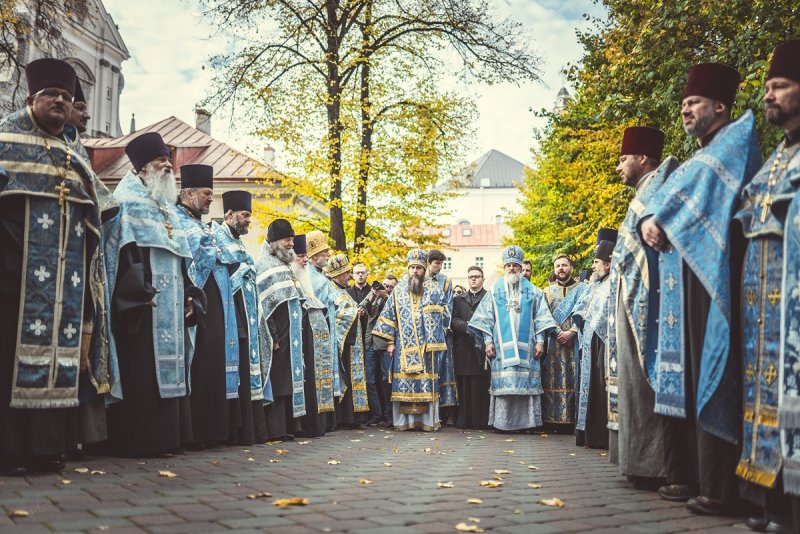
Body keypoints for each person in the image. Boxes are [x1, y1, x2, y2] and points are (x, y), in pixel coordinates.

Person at [640, 63, 762, 514]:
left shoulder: (733, 144)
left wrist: (660, 219)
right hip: (689, 281)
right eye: (684, 104)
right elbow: (664, 204)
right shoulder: (700, 156)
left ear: (721, 106)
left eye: (693, 103)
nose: (685, 110)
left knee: (714, 370)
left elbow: (681, 201)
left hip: (720, 279)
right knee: (690, 374)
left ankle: (719, 486)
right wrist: (651, 221)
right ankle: (691, 474)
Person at [0, 59, 114, 475]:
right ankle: (10, 452)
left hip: (65, 286)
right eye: (52, 95)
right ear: (31, 99)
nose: (61, 103)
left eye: (67, 98)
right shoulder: (4, 139)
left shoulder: (74, 153)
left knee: (60, 363)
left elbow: (100, 215)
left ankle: (46, 449)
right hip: (12, 281)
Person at [734, 41, 800, 533]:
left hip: (791, 301)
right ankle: (772, 503)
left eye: (780, 86)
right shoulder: (777, 156)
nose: (769, 95)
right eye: (768, 88)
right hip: (764, 304)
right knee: (768, 399)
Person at [103, 132, 200, 457]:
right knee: (142, 372)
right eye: (162, 164)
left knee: (172, 367)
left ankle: (168, 438)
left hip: (171, 306)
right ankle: (138, 440)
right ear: (143, 167)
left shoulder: (168, 210)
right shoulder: (126, 203)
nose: (168, 169)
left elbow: (181, 259)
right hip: (143, 307)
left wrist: (188, 295)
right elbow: (121, 255)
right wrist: (139, 292)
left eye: (169, 164)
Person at [607, 126, 675, 489]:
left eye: (623, 159)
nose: (619, 167)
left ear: (643, 159)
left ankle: (651, 464)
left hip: (647, 302)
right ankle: (638, 462)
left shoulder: (657, 190)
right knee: (632, 383)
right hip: (633, 298)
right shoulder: (644, 193)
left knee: (644, 381)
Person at [174, 164, 240, 448]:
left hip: (214, 305)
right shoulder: (179, 221)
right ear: (189, 193)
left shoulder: (201, 224)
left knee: (212, 361)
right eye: (207, 193)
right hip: (195, 303)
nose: (212, 198)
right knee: (198, 363)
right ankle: (197, 431)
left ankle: (212, 431)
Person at [469, 246, 557, 432]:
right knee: (505, 386)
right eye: (508, 265)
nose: (511, 269)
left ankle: (528, 424)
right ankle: (503, 424)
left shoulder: (533, 291)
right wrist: (488, 342)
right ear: (504, 267)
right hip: (501, 349)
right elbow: (486, 319)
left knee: (525, 386)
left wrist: (540, 342)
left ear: (520, 267)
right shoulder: (495, 290)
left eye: (515, 265)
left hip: (529, 348)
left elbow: (540, 318)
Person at [212, 190, 269, 445]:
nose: (248, 220)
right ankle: (231, 432)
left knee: (246, 377)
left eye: (250, 216)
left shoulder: (241, 245)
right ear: (229, 214)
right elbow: (217, 279)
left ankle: (247, 432)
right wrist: (244, 272)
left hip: (248, 322)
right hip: (229, 320)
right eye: (245, 215)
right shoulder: (216, 239)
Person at [373, 249, 452, 431]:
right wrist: (391, 342)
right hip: (403, 346)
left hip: (426, 346)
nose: (415, 271)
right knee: (404, 383)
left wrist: (434, 316)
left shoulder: (433, 290)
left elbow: (446, 315)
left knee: (424, 383)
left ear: (424, 269)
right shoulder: (398, 290)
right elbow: (389, 316)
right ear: (408, 269)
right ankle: (404, 422)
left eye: (419, 268)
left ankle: (426, 422)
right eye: (412, 268)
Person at [255, 220, 306, 441]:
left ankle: (290, 425)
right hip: (277, 336)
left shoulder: (286, 265)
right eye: (287, 240)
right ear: (275, 241)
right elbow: (265, 307)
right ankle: (275, 429)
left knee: (289, 379)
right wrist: (272, 335)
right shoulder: (265, 266)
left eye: (292, 240)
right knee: (278, 379)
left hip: (291, 334)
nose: (290, 244)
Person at [573, 233, 617, 449]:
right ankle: (586, 433)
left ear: (608, 265)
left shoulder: (610, 284)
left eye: (597, 262)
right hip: (590, 341)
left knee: (600, 389)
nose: (593, 266)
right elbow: (584, 307)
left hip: (602, 344)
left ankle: (599, 436)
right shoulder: (597, 284)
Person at [292, 234, 333, 438]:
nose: (305, 260)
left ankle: (317, 424)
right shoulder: (305, 275)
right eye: (323, 252)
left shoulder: (314, 275)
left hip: (316, 334)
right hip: (304, 333)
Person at [541, 254, 588, 432]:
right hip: (553, 344)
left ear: (571, 268)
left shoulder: (584, 289)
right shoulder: (546, 292)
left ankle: (573, 421)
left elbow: (586, 312)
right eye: (557, 266)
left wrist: (572, 332)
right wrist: (558, 332)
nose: (561, 268)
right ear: (554, 270)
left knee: (574, 378)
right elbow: (543, 315)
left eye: (564, 265)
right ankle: (551, 421)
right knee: (551, 379)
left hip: (575, 342)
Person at [327, 254, 370, 428]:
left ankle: (353, 418)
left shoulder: (343, 291)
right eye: (346, 273)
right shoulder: (330, 290)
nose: (350, 277)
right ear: (337, 275)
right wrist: (354, 313)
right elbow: (335, 315)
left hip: (352, 344)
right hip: (342, 344)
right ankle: (344, 418)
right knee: (344, 378)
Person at [451, 266, 490, 429]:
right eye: (470, 277)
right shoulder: (459, 299)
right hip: (463, 348)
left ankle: (480, 421)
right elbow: (452, 319)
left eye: (477, 276)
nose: (473, 279)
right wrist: (467, 326)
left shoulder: (489, 298)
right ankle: (464, 420)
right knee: (464, 385)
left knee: (480, 385)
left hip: (481, 349)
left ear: (483, 278)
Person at [361, 274, 398, 426]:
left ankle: (389, 415)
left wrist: (387, 295)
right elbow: (361, 308)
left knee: (386, 380)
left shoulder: (395, 298)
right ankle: (376, 414)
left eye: (390, 286)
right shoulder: (375, 297)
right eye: (385, 285)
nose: (386, 288)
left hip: (386, 343)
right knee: (369, 380)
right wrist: (372, 295)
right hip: (370, 342)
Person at [428, 249, 458, 416]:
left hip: (441, 333)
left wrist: (443, 325)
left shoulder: (445, 281)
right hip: (424, 336)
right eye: (437, 263)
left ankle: (445, 413)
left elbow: (449, 306)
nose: (439, 267)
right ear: (429, 263)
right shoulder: (420, 280)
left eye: (441, 264)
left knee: (443, 370)